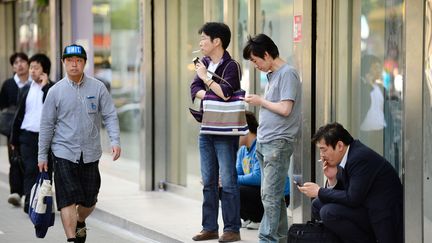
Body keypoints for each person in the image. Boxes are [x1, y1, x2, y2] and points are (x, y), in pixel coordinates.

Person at [38, 44, 121, 243]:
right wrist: (42, 155)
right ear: (63, 63)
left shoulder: (98, 87)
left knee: (90, 199)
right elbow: (46, 125)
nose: (74, 65)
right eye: (69, 61)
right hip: (63, 152)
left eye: (78, 61)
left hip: (91, 153)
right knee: (67, 198)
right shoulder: (55, 91)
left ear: (84, 63)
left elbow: (110, 115)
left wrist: (115, 140)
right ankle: (71, 239)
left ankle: (80, 219)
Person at [298, 122, 403, 243]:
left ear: (340, 146)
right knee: (318, 205)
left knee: (328, 212)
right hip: (364, 206)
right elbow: (347, 191)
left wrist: (319, 191)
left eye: (324, 150)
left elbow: (353, 198)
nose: (322, 155)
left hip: (382, 215)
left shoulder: (359, 158)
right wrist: (332, 179)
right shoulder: (348, 155)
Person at [242, 33, 301, 242]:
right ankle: (282, 238)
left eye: (255, 60)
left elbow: (285, 108)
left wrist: (260, 101)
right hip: (265, 142)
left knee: (270, 195)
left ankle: (267, 238)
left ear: (266, 54)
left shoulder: (288, 74)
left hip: (278, 143)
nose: (255, 65)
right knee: (271, 196)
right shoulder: (273, 75)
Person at [190, 22, 242, 242]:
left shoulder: (232, 66)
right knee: (208, 180)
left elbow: (228, 93)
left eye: (204, 38)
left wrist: (206, 79)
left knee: (228, 180)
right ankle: (209, 227)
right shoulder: (203, 63)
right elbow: (194, 90)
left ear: (216, 41)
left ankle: (232, 229)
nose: (201, 43)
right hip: (206, 128)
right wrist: (211, 90)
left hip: (225, 130)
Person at [10, 53, 54, 214]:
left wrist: (45, 87)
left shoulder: (52, 89)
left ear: (45, 70)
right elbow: (19, 115)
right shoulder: (26, 89)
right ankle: (30, 200)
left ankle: (44, 202)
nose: (32, 71)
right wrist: (14, 138)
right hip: (27, 136)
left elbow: (52, 109)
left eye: (36, 68)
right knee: (30, 169)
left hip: (46, 138)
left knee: (46, 171)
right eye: (32, 67)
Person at [236, 111, 290, 231]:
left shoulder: (261, 146)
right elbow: (237, 173)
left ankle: (259, 218)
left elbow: (258, 177)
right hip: (258, 191)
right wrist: (221, 178)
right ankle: (248, 217)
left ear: (245, 128)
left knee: (237, 188)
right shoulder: (242, 150)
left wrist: (230, 179)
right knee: (222, 186)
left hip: (280, 195)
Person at [0, 52, 31, 207]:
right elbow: (3, 107)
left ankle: (27, 192)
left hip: (30, 128)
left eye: (22, 61)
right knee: (14, 159)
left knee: (28, 160)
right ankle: (16, 192)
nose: (19, 64)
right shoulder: (8, 84)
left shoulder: (34, 83)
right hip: (13, 129)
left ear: (28, 63)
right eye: (16, 62)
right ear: (13, 67)